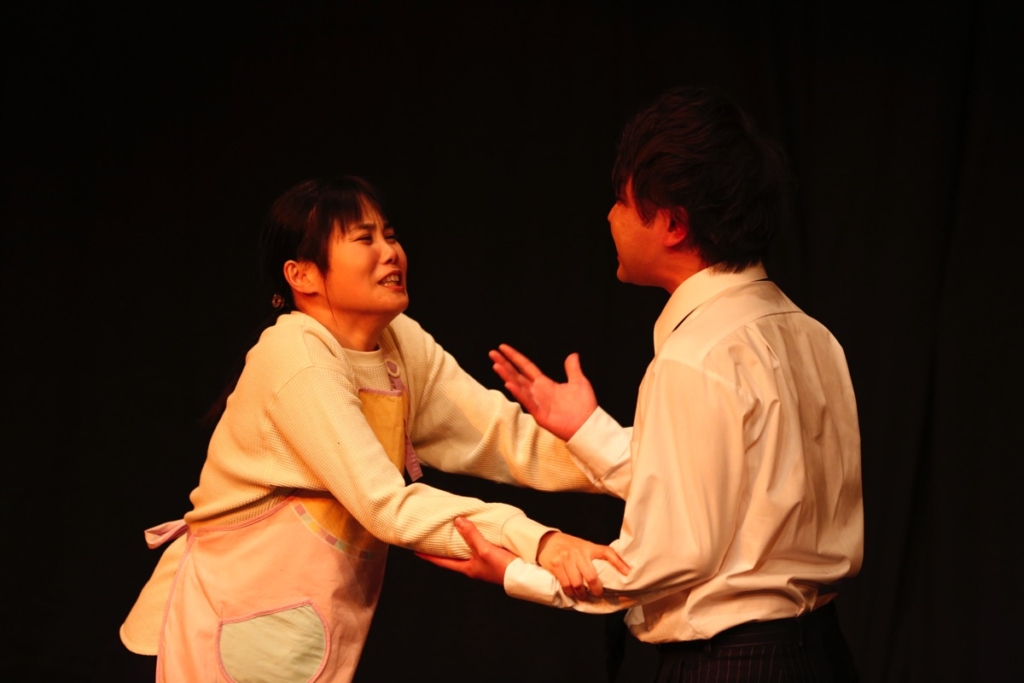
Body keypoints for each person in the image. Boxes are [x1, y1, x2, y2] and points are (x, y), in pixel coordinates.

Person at [420, 87, 864, 682]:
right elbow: (726, 490)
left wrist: (518, 572)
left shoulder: (695, 354)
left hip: (735, 665)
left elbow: (667, 554)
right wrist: (587, 429)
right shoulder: (812, 335)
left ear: (674, 224)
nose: (610, 217)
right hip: (820, 655)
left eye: (623, 201)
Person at [118, 176, 627, 682]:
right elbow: (386, 505)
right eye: (364, 239)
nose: (390, 252)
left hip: (293, 638)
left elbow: (500, 437)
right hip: (200, 631)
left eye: (391, 235)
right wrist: (539, 542)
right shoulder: (296, 354)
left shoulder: (397, 342)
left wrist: (630, 459)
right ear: (302, 275)